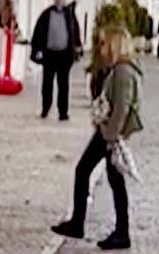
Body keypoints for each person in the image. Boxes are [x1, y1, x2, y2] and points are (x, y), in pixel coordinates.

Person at [53, 26, 143, 250]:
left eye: (105, 44)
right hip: (108, 132)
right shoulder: (122, 69)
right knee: (113, 181)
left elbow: (121, 107)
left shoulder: (123, 71)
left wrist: (111, 137)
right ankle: (116, 230)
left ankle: (85, 225)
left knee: (86, 171)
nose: (102, 49)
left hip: (109, 134)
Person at [31, 0, 82, 120]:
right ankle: (45, 108)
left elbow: (75, 32)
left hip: (64, 55)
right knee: (47, 83)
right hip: (50, 54)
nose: (60, 0)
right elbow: (39, 32)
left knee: (63, 84)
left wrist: (77, 47)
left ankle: (63, 112)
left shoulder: (69, 14)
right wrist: (37, 50)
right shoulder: (47, 14)